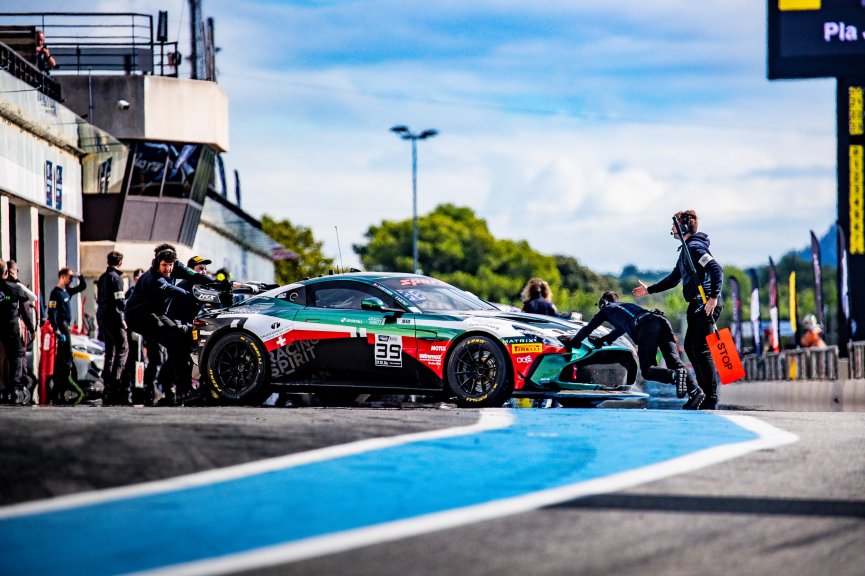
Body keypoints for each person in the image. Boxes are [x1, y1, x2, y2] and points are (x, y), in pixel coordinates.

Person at [632, 210, 724, 410]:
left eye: (674, 225)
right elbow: (674, 278)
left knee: (699, 348)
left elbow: (716, 269)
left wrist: (714, 297)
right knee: (691, 347)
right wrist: (649, 290)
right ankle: (704, 393)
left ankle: (710, 397)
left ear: (683, 228)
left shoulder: (695, 248)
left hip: (705, 302)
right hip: (696, 303)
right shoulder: (686, 251)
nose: (672, 229)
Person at [561, 291, 705, 410]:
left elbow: (588, 328)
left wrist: (573, 342)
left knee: (648, 370)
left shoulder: (606, 308)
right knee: (674, 361)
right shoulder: (626, 307)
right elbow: (617, 331)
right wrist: (601, 341)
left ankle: (673, 376)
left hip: (646, 325)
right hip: (660, 320)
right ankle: (695, 391)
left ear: (603, 303)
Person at [125, 244, 211, 406]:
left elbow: (195, 275)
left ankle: (181, 389)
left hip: (158, 314)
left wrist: (217, 283)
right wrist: (200, 296)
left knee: (180, 339)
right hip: (139, 317)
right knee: (171, 342)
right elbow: (176, 291)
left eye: (170, 265)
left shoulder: (175, 266)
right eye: (164, 265)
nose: (167, 269)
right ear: (157, 263)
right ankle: (178, 390)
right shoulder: (154, 279)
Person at [48, 268, 87, 405]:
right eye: (70, 277)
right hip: (61, 326)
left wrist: (79, 276)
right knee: (66, 356)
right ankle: (62, 385)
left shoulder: (67, 292)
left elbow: (82, 286)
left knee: (64, 357)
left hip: (66, 326)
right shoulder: (56, 293)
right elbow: (51, 313)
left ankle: (59, 387)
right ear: (62, 277)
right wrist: (56, 329)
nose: (71, 280)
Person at [0, 261, 37, 405]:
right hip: (11, 329)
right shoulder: (15, 288)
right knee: (16, 356)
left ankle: (5, 387)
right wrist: (16, 282)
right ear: (7, 272)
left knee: (4, 358)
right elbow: (32, 297)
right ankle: (14, 386)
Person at [97, 251, 131, 405]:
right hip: (113, 318)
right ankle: (116, 380)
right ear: (120, 263)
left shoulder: (103, 277)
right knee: (123, 348)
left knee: (110, 351)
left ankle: (107, 383)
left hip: (102, 317)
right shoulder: (116, 278)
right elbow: (120, 302)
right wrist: (123, 319)